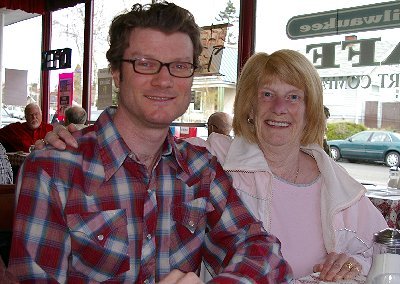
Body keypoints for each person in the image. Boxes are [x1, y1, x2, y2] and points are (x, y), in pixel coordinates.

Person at [39, 49, 389, 282]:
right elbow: (140, 143)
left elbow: (381, 247)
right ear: (250, 106)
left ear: (309, 110)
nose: (280, 107)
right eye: (267, 94)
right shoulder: (213, 158)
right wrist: (78, 142)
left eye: (294, 96)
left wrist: (354, 264)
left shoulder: (335, 180)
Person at [8, 3, 293, 283]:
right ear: (117, 73)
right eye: (145, 64)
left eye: (180, 66)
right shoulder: (52, 168)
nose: (164, 80)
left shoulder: (199, 168)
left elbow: (262, 250)